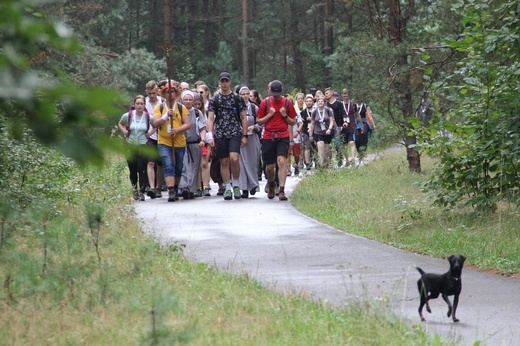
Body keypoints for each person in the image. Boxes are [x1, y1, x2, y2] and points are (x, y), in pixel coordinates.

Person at [206, 72, 249, 201]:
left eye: (226, 81)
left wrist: (245, 135)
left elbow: (243, 117)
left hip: (235, 132)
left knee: (234, 159)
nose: (224, 83)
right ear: (219, 82)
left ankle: (236, 184)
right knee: (223, 161)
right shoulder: (215, 99)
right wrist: (210, 135)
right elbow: (210, 118)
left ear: (230, 82)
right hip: (220, 133)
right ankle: (227, 187)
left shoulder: (237, 98)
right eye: (222, 81)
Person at [257, 80, 297, 201]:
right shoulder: (265, 102)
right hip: (268, 136)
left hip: (282, 136)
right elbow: (259, 121)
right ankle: (272, 183)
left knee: (281, 162)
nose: (276, 96)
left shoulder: (287, 103)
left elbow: (293, 121)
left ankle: (282, 190)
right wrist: (270, 115)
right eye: (274, 94)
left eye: (278, 94)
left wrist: (285, 115)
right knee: (270, 167)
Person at [153, 82, 191, 202]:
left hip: (179, 141)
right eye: (167, 92)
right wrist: (165, 116)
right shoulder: (159, 108)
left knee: (178, 167)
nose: (170, 94)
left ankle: (174, 187)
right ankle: (170, 190)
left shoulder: (181, 107)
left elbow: (187, 124)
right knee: (168, 165)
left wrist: (177, 130)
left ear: (176, 93)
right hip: (164, 141)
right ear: (164, 94)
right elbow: (155, 123)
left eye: (172, 91)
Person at [118, 95, 155, 201]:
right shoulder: (128, 115)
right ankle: (135, 190)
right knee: (132, 169)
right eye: (137, 104)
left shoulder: (148, 117)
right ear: (134, 105)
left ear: (144, 105)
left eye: (141, 104)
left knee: (142, 169)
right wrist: (124, 131)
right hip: (130, 145)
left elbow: (155, 126)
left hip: (143, 146)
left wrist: (150, 134)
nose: (139, 106)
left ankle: (142, 191)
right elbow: (121, 123)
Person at [179, 90, 207, 199]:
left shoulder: (196, 113)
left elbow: (203, 128)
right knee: (184, 166)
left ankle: (192, 188)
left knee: (195, 167)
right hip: (182, 143)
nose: (188, 102)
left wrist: (203, 140)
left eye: (190, 99)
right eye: (186, 99)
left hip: (195, 143)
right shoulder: (179, 111)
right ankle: (184, 186)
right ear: (182, 100)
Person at [236, 86, 261, 198]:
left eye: (247, 94)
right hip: (240, 138)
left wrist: (253, 127)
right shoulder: (235, 108)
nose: (245, 96)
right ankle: (244, 187)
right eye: (243, 94)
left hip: (253, 137)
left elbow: (261, 122)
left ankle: (253, 185)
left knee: (252, 162)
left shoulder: (254, 108)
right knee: (241, 162)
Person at [144, 80, 164, 198]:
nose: (152, 96)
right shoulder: (144, 103)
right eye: (149, 93)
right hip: (149, 137)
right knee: (151, 162)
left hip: (161, 136)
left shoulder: (163, 102)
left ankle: (158, 187)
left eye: (154, 93)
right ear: (146, 92)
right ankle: (151, 187)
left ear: (157, 91)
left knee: (160, 163)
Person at [192, 93, 212, 197]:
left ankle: (206, 185)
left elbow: (208, 126)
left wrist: (209, 138)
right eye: (194, 104)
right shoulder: (190, 113)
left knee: (204, 163)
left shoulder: (206, 113)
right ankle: (198, 186)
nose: (196, 106)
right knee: (197, 164)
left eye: (199, 104)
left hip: (205, 139)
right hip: (194, 140)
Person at [308, 96, 334, 168]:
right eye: (319, 101)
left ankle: (327, 163)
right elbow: (312, 124)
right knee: (320, 145)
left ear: (324, 102)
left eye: (322, 101)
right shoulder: (314, 112)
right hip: (318, 132)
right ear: (317, 102)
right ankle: (320, 164)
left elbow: (331, 121)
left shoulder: (328, 110)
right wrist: (310, 135)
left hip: (327, 132)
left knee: (326, 150)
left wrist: (329, 129)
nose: (320, 102)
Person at [340, 88, 363, 164]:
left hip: (352, 125)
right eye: (344, 94)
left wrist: (361, 124)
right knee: (344, 144)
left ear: (348, 94)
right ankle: (346, 159)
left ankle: (353, 158)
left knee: (352, 142)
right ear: (342, 95)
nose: (345, 95)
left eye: (346, 93)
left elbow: (357, 114)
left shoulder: (353, 104)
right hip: (343, 127)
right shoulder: (340, 104)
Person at [325, 87, 344, 166]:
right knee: (328, 145)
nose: (326, 95)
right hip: (328, 126)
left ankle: (339, 157)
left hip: (337, 125)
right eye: (325, 93)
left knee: (337, 143)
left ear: (332, 93)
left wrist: (345, 122)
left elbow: (343, 114)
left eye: (327, 93)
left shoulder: (339, 103)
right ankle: (329, 160)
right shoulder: (326, 104)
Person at [300, 94, 315, 169]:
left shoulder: (316, 110)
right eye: (307, 101)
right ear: (305, 102)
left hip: (315, 131)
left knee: (315, 147)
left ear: (313, 102)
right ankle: (308, 163)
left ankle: (316, 161)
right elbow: (301, 122)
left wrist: (312, 119)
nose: (309, 103)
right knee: (307, 147)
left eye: (310, 101)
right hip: (306, 131)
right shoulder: (303, 112)